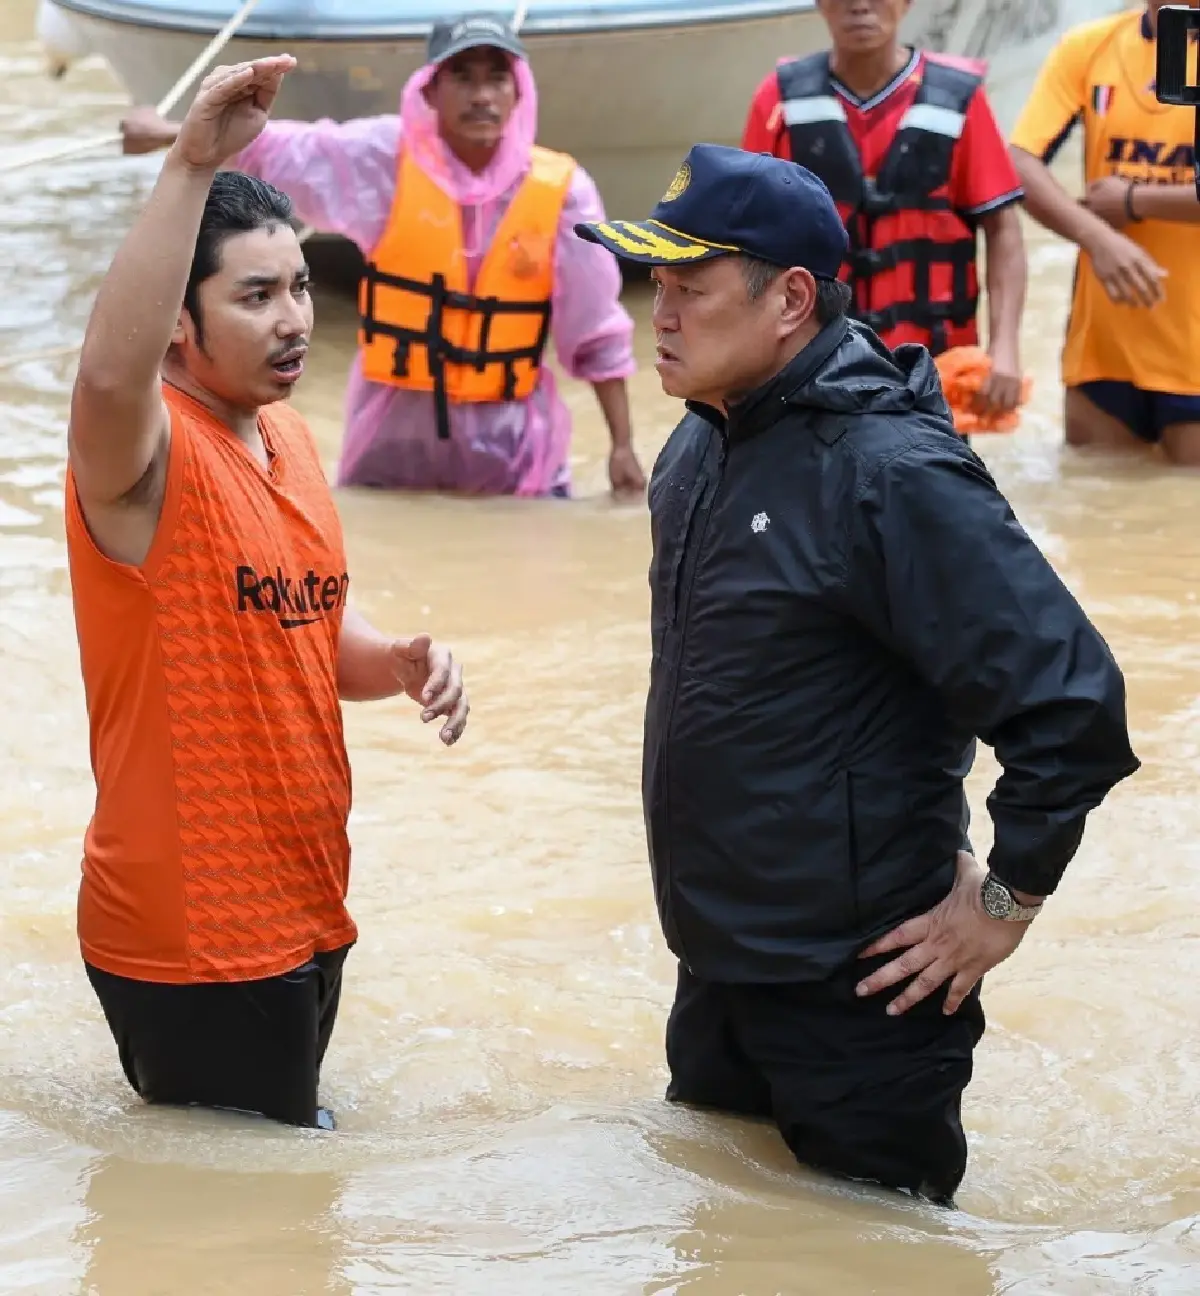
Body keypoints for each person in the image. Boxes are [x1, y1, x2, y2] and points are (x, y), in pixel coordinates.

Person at [576, 143, 1139, 1205]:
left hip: (865, 991)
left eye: (690, 287)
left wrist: (1006, 900)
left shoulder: (890, 474)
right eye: (656, 284)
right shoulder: (701, 443)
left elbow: (1072, 707)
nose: (660, 313)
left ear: (790, 298)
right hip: (721, 966)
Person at [66, 55, 470, 1130]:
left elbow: (298, 616)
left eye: (299, 286)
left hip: (301, 912)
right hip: (193, 935)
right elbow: (107, 377)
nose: (294, 317)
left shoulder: (289, 434)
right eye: (255, 296)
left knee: (282, 1218)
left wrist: (396, 661)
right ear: (180, 325)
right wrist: (192, 160)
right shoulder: (139, 462)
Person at [118, 14, 646, 499]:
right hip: (393, 427)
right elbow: (275, 148)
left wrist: (622, 445)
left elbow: (596, 330)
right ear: (431, 91)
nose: (481, 94)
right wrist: (172, 136)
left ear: (518, 92)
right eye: (462, 76)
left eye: (496, 77)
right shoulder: (385, 159)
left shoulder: (564, 192)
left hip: (511, 438)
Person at [740, 0, 1027, 423]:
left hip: (933, 373)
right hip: (813, 373)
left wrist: (1005, 349)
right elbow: (743, 242)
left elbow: (1002, 229)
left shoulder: (959, 99)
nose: (860, 6)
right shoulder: (778, 100)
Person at [1008, 1, 1200, 466]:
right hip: (1103, 351)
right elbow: (1017, 163)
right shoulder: (1089, 45)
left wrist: (1135, 200)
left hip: (1193, 358)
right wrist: (1097, 237)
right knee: (1097, 505)